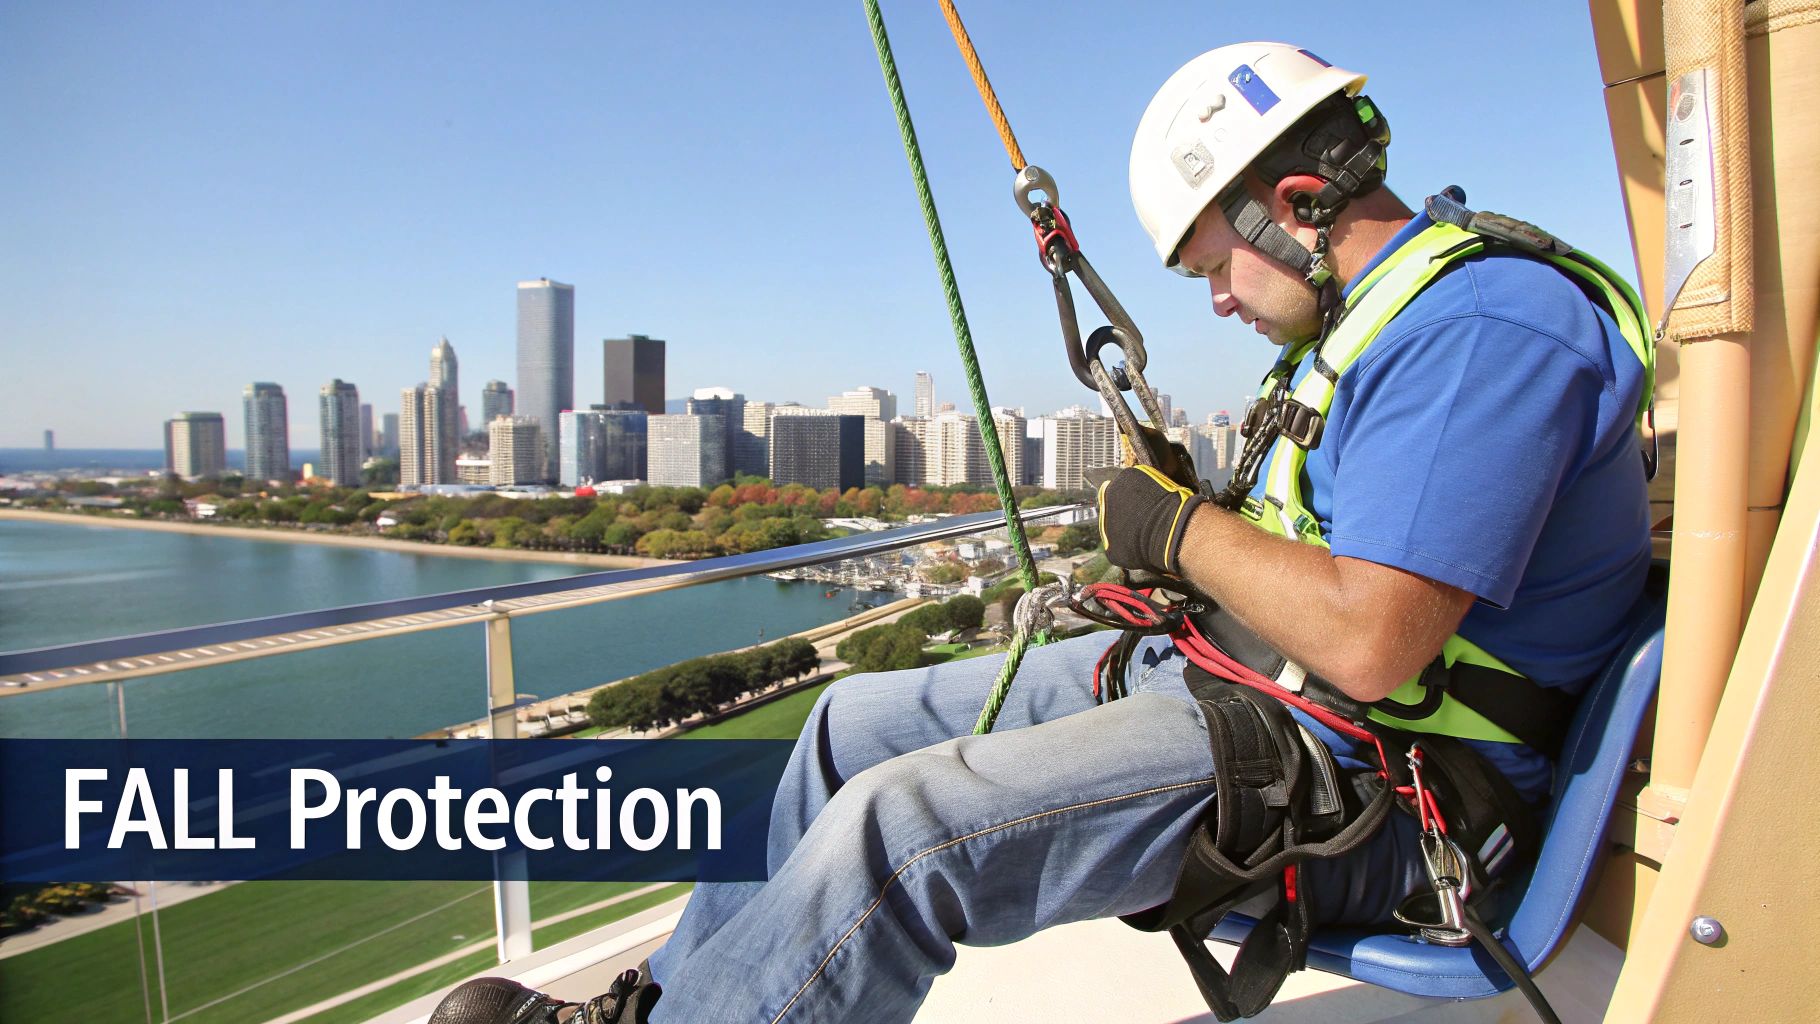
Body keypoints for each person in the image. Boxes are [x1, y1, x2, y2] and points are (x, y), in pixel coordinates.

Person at [429, 41, 1652, 1024]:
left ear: (1291, 206)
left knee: (903, 832)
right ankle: (668, 1008)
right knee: (843, 727)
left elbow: (1374, 640)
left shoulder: (1484, 329)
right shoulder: (1383, 329)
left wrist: (1176, 533)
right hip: (1265, 697)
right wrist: (1207, 537)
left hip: (1384, 787)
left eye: (1211, 268)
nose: (1218, 300)